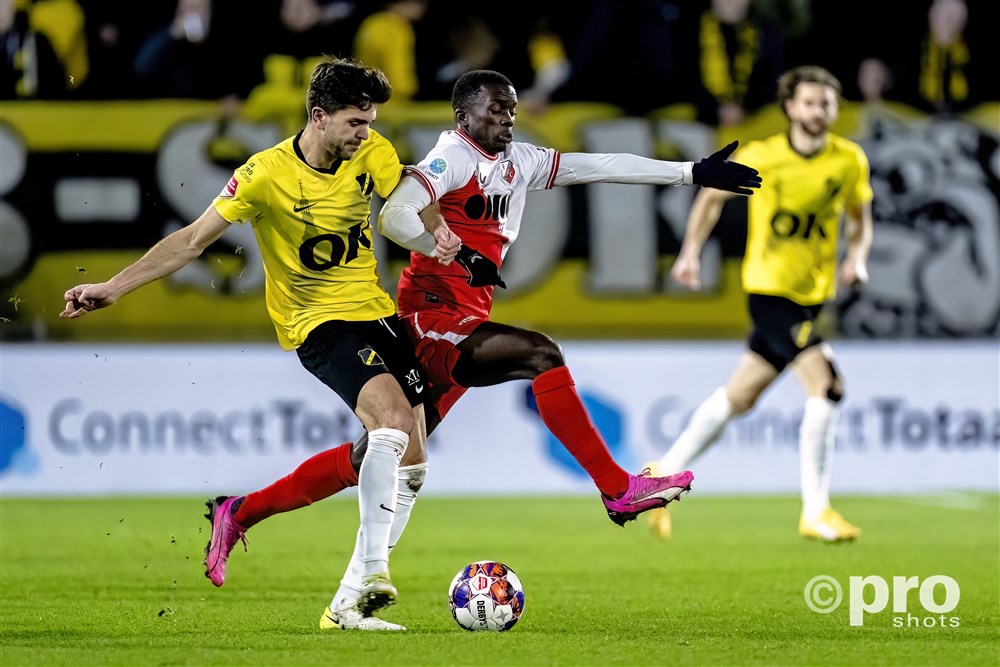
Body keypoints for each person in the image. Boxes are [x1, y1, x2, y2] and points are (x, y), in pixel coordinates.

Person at [193, 68, 761, 631]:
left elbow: (599, 166)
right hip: (428, 319)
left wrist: (689, 172)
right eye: (495, 109)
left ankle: (246, 519)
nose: (506, 119)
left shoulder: (520, 162)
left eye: (511, 109)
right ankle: (618, 489)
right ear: (464, 115)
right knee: (541, 354)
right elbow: (394, 214)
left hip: (467, 320)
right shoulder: (450, 157)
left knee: (378, 457)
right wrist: (451, 252)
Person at [59, 56, 460, 630]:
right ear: (318, 118)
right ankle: (373, 575)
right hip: (317, 324)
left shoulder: (374, 152)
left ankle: (341, 602)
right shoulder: (263, 175)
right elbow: (192, 241)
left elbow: (412, 195)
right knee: (391, 425)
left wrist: (436, 226)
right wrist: (112, 288)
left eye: (369, 122)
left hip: (375, 313)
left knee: (414, 464)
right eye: (354, 123)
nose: (365, 134)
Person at [647, 65, 873, 543]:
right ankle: (815, 510)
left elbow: (859, 215)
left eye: (826, 104)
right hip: (771, 292)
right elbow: (710, 197)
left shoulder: (848, 160)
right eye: (809, 103)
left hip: (812, 295)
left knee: (739, 397)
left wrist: (858, 257)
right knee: (828, 387)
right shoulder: (764, 156)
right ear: (790, 107)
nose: (818, 111)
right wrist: (690, 252)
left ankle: (658, 477)